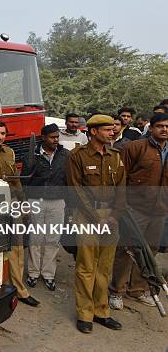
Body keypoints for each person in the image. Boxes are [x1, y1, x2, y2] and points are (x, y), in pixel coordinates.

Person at [67, 114, 125, 334]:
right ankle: (85, 314)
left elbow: (122, 188)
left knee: (105, 266)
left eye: (113, 129)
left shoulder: (116, 156)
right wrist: (96, 218)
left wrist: (114, 216)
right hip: (87, 215)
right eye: (107, 129)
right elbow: (75, 190)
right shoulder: (77, 156)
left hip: (111, 216)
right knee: (86, 266)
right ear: (93, 132)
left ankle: (102, 312)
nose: (113, 132)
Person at [109, 112, 168, 309]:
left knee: (150, 250)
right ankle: (116, 291)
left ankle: (138, 289)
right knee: (127, 249)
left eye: (167, 126)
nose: (164, 129)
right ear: (151, 128)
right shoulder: (135, 147)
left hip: (160, 210)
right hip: (135, 208)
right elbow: (121, 177)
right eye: (160, 126)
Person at [0, 121, 40, 307]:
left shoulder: (10, 152)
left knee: (16, 248)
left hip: (12, 204)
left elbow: (16, 180)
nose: (0, 137)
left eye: (3, 133)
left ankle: (19, 289)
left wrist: (23, 204)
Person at [22, 124, 70, 291]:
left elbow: (69, 180)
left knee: (52, 238)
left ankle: (48, 274)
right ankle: (33, 273)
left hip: (57, 202)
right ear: (44, 137)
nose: (56, 140)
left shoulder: (65, 155)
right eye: (52, 137)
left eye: (57, 137)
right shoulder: (32, 155)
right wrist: (25, 203)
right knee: (35, 238)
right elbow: (24, 181)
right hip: (36, 201)